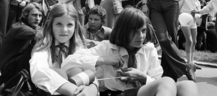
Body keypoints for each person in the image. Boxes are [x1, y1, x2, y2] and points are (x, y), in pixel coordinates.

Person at [63, 8, 198, 96]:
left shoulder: (148, 48)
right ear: (123, 30)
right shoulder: (107, 47)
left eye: (143, 31)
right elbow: (68, 62)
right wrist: (105, 60)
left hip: (139, 92)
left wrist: (142, 77)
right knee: (167, 81)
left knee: (188, 85)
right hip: (114, 93)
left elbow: (156, 79)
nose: (140, 36)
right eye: (134, 32)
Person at [30, 4, 120, 96]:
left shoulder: (78, 47)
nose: (64, 30)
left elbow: (90, 72)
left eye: (69, 25)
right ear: (51, 25)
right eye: (59, 24)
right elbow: (39, 71)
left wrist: (93, 87)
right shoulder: (43, 48)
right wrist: (73, 90)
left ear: (75, 26)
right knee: (61, 73)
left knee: (77, 70)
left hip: (80, 90)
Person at [0, 3, 43, 88]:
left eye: (40, 15)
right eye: (34, 15)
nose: (38, 18)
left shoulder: (31, 27)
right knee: (36, 47)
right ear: (25, 15)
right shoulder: (19, 28)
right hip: (9, 71)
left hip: (16, 67)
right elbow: (41, 35)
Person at [178, 0, 202, 65]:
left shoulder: (198, 2)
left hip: (193, 21)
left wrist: (196, 15)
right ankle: (188, 61)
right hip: (185, 20)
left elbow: (200, 13)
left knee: (194, 41)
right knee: (189, 40)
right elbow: (178, 9)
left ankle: (192, 60)